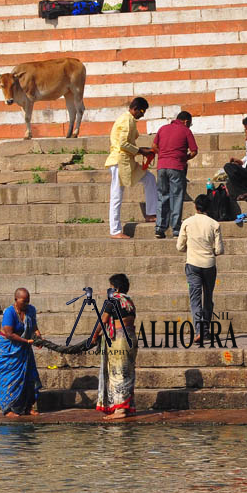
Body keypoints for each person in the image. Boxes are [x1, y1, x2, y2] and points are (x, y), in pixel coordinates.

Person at [105, 97, 158, 238]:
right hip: (119, 161)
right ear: (135, 108)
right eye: (142, 111)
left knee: (149, 178)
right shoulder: (126, 120)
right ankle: (115, 231)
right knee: (117, 195)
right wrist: (141, 151)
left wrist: (143, 150)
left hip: (127, 161)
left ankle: (151, 214)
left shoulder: (130, 120)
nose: (143, 115)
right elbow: (123, 144)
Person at [89, 274, 139, 420]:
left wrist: (94, 336)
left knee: (118, 374)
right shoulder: (129, 301)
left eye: (110, 287)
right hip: (131, 338)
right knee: (127, 372)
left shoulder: (113, 300)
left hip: (118, 340)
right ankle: (127, 407)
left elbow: (102, 320)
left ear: (115, 288)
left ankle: (120, 410)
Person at [177, 194, 225, 343]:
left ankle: (198, 331)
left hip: (192, 264)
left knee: (195, 299)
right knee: (208, 298)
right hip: (209, 265)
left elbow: (179, 247)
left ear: (195, 207)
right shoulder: (214, 224)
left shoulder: (187, 222)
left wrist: (190, 249)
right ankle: (205, 330)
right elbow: (219, 250)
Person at [0, 288, 43, 417]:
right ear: (16, 300)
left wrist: (39, 337)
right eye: (24, 301)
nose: (26, 303)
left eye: (28, 300)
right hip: (8, 350)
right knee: (9, 379)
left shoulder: (31, 310)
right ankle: (8, 409)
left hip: (24, 349)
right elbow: (9, 334)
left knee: (29, 377)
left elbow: (34, 327)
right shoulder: (9, 313)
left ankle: (28, 407)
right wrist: (26, 341)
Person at [152, 110, 198, 239]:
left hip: (161, 167)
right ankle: (176, 229)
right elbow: (194, 151)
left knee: (162, 196)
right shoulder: (186, 131)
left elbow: (154, 146)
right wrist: (184, 158)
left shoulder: (162, 129)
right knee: (176, 197)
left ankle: (160, 228)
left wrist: (163, 155)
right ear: (186, 121)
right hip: (176, 167)